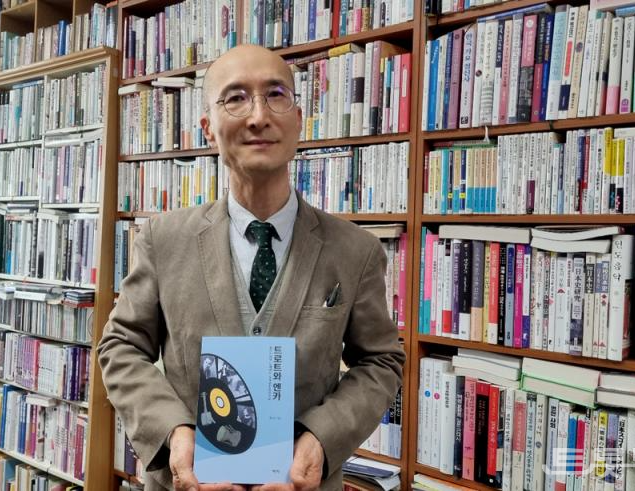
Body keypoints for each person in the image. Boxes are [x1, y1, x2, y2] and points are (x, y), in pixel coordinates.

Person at [97, 44, 405, 491]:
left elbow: (381, 360)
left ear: (298, 121)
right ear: (208, 129)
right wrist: (174, 433)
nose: (259, 116)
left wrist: (321, 439)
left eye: (275, 95)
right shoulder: (163, 240)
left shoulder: (355, 250)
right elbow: (121, 346)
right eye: (236, 98)